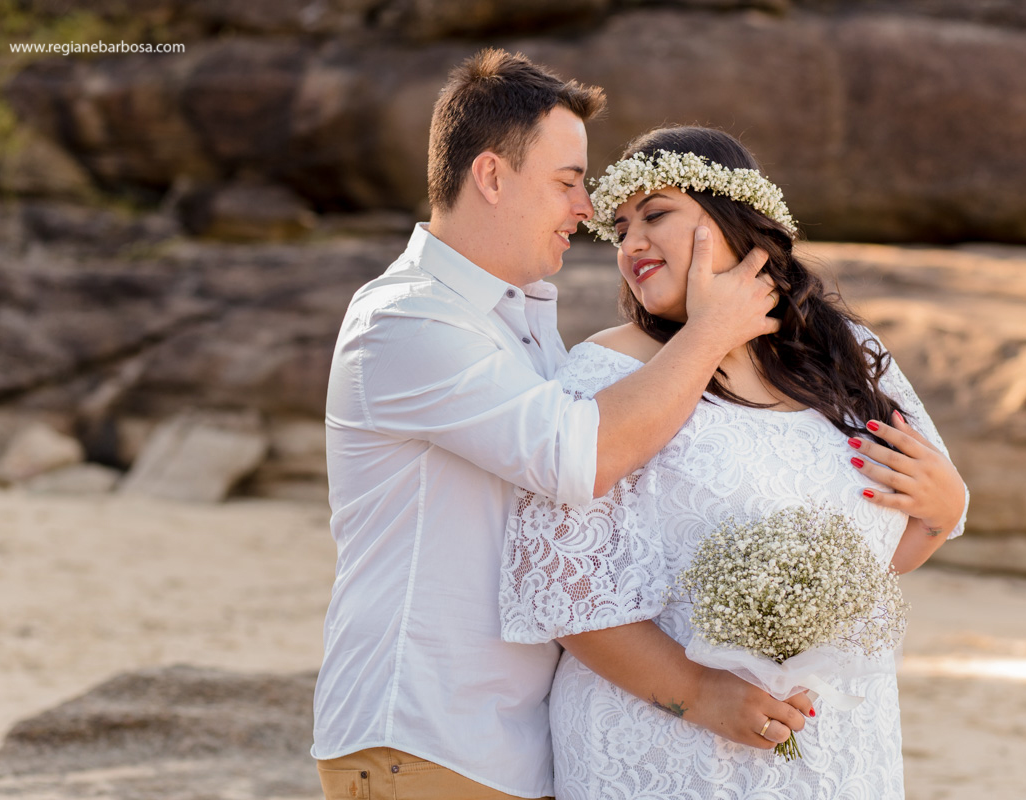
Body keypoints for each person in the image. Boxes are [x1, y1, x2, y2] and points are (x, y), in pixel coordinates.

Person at [312, 51, 812, 800]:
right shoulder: (406, 319)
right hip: (420, 740)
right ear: (490, 176)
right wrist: (708, 333)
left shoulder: (524, 325)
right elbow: (581, 457)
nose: (586, 212)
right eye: (568, 182)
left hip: (518, 749)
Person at [500, 126, 969, 799]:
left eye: (656, 214)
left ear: (737, 218)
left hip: (836, 737)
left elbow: (876, 557)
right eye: (621, 228)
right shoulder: (605, 368)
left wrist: (945, 508)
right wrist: (700, 694)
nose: (631, 243)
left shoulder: (844, 354)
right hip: (666, 741)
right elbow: (562, 586)